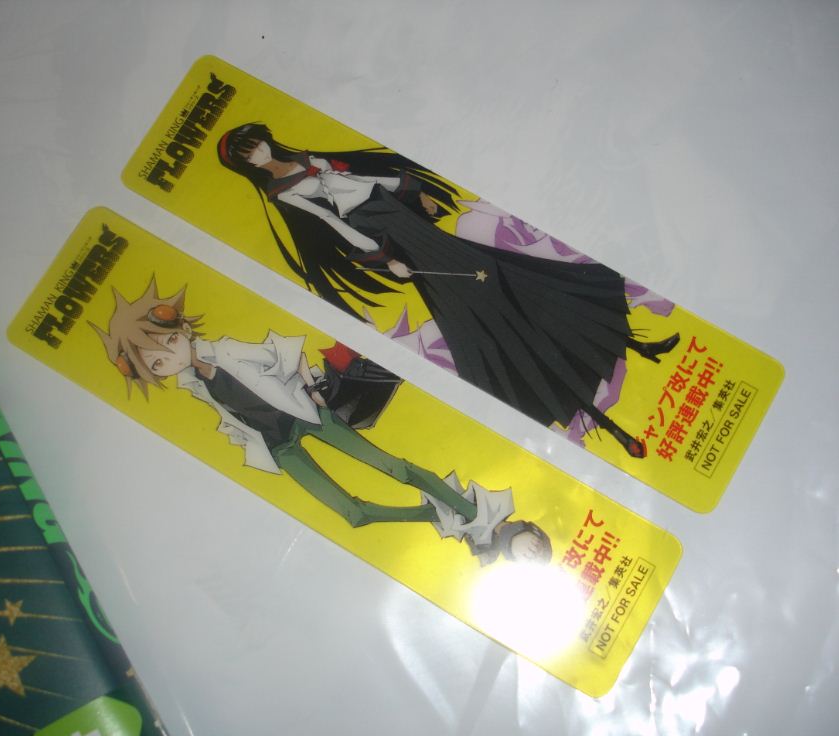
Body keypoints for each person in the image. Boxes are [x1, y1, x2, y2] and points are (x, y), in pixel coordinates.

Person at [217, 123, 681, 458]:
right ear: (246, 165)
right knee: (488, 313)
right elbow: (332, 223)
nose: (257, 152)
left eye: (255, 143)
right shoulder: (283, 193)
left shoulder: (308, 159)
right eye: (247, 154)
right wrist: (384, 257)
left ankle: (634, 344)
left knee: (513, 279)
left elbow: (366, 180)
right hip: (383, 233)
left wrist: (412, 191)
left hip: (400, 214)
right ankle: (604, 420)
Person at [91, 278, 551, 565]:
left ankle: (476, 519)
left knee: (394, 468)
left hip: (307, 415)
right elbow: (230, 413)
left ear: (183, 329)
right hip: (278, 446)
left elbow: (283, 351)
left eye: (166, 346)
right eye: (155, 364)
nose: (166, 361)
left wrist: (312, 390)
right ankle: (434, 513)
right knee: (353, 515)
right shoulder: (194, 385)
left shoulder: (227, 350)